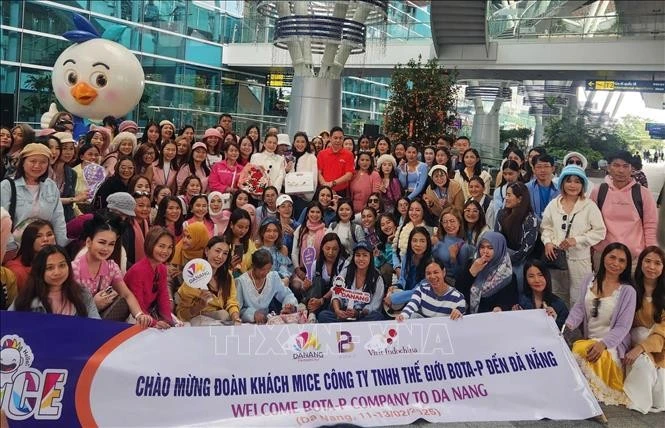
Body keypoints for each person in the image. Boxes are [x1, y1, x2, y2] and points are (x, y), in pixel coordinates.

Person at [564, 242, 637, 406]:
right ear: (604, 257)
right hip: (589, 341)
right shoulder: (589, 280)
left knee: (582, 350)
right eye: (612, 257)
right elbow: (579, 308)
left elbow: (623, 327)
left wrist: (603, 344)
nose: (616, 263)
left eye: (621, 261)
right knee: (578, 349)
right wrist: (565, 328)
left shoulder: (628, 291)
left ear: (627, 265)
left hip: (611, 346)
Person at [541, 165, 606, 306]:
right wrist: (548, 242)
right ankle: (559, 325)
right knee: (557, 294)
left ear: (583, 185)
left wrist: (576, 240)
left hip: (580, 261)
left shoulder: (589, 206)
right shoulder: (553, 205)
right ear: (562, 183)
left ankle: (575, 327)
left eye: (577, 181)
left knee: (580, 298)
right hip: (557, 259)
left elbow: (599, 232)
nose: (572, 185)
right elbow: (546, 227)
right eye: (568, 180)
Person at [71, 213, 151, 326]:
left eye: (111, 244)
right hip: (78, 325)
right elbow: (67, 309)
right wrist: (93, 304)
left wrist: (139, 315)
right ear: (89, 242)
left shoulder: (111, 267)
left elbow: (126, 294)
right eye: (102, 242)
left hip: (103, 325)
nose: (106, 249)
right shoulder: (73, 269)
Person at [591, 150, 658, 271]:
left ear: (632, 169)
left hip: (633, 258)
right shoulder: (599, 191)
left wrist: (650, 252)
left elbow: (651, 225)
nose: (621, 170)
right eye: (616, 165)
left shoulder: (643, 193)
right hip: (603, 255)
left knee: (632, 289)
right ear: (608, 167)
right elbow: (590, 223)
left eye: (625, 166)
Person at [0, 143, 68, 253]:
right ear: (23, 162)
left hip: (44, 248)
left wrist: (60, 247)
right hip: (16, 249)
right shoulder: (7, 186)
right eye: (32, 161)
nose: (37, 166)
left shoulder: (50, 186)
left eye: (43, 162)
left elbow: (58, 218)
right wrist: (11, 249)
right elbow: (2, 220)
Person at [624, 246, 665, 414]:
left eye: (657, 263)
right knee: (644, 367)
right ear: (640, 263)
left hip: (660, 346)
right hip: (634, 345)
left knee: (660, 392)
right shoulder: (629, 289)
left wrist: (643, 346)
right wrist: (638, 346)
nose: (652, 267)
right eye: (647, 261)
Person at [10, 245, 99, 318]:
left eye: (62, 265)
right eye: (50, 268)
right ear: (40, 270)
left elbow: (96, 327)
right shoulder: (25, 298)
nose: (57, 272)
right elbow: (8, 326)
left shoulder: (82, 294)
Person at [176, 236, 241, 325]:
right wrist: (199, 307)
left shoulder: (228, 276)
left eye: (225, 253)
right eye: (217, 251)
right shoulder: (193, 277)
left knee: (224, 315)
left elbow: (231, 301)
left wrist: (236, 317)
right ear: (207, 251)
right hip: (198, 323)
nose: (220, 256)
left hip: (221, 320)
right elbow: (182, 315)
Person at [318, 241, 385, 322]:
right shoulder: (346, 272)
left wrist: (358, 313)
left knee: (377, 316)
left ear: (370, 257)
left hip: (362, 316)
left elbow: (375, 305)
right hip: (343, 313)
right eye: (358, 255)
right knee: (323, 315)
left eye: (365, 255)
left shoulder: (377, 278)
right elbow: (336, 294)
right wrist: (337, 311)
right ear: (353, 257)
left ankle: (351, 328)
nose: (361, 259)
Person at [124, 227, 177, 328]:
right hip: (134, 317)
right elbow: (137, 304)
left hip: (149, 314)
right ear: (150, 245)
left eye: (170, 247)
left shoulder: (162, 268)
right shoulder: (137, 271)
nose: (166, 251)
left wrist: (168, 320)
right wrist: (154, 323)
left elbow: (163, 296)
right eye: (161, 246)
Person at [455, 231, 518, 314]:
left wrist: (500, 308)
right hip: (469, 317)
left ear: (499, 248)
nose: (485, 251)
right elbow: (458, 290)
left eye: (490, 248)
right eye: (482, 247)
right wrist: (471, 272)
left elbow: (508, 301)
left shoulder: (507, 274)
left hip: (493, 320)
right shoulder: (472, 264)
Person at [495, 182, 539, 293]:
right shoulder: (501, 214)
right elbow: (497, 238)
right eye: (506, 194)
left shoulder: (530, 219)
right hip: (502, 254)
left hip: (520, 258)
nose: (506, 198)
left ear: (519, 199)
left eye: (509, 195)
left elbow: (526, 248)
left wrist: (509, 260)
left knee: (517, 278)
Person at [236, 249, 298, 324]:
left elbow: (287, 295)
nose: (265, 273)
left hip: (268, 321)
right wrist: (253, 314)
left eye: (268, 269)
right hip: (248, 324)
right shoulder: (241, 281)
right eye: (262, 269)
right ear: (253, 267)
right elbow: (237, 309)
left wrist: (289, 305)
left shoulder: (273, 277)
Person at [397, 259, 466, 321]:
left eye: (436, 272)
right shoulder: (421, 289)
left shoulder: (458, 298)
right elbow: (411, 306)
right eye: (428, 273)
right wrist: (403, 316)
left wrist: (458, 314)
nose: (432, 277)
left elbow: (463, 320)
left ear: (443, 272)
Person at [385, 226, 431, 315]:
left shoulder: (431, 264)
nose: (418, 244)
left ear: (427, 243)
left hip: (421, 304)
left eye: (422, 241)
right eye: (414, 240)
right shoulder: (407, 257)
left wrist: (393, 298)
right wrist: (397, 286)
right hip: (404, 298)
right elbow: (402, 279)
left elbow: (419, 291)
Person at [514, 260, 569, 329]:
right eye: (531, 276)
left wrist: (554, 321)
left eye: (540, 275)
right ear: (526, 279)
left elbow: (566, 332)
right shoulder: (520, 301)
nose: (537, 280)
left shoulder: (558, 304)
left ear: (547, 276)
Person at [4, 219, 56, 291]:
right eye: (38, 236)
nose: (45, 239)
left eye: (49, 234)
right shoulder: (16, 271)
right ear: (28, 239)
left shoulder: (59, 262)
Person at [392, 199, 433, 279]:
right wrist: (397, 267)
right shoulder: (402, 228)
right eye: (411, 210)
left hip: (422, 274)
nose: (414, 213)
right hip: (401, 271)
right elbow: (394, 251)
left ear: (423, 211)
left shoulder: (431, 231)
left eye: (417, 210)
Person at [292, 202, 328, 289]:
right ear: (307, 214)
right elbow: (294, 252)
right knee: (296, 285)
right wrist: (298, 270)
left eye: (318, 212)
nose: (315, 214)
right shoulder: (300, 229)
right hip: (302, 270)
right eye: (312, 212)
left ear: (322, 215)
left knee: (315, 284)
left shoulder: (326, 231)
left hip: (318, 271)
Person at [432, 208, 468, 283]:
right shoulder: (437, 239)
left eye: (452, 221)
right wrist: (433, 246)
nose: (449, 225)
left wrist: (453, 258)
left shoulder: (463, 246)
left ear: (459, 222)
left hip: (450, 283)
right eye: (445, 222)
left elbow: (460, 276)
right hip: (433, 277)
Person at [168, 222, 209, 287]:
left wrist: (184, 274)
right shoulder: (178, 251)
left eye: (189, 237)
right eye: (184, 236)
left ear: (199, 239)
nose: (184, 240)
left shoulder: (208, 256)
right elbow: (169, 281)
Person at [317, 126, 355, 196]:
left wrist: (332, 183)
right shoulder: (322, 154)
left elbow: (349, 175)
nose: (338, 140)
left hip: (342, 191)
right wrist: (326, 186)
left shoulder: (349, 155)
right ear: (330, 138)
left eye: (340, 138)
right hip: (324, 190)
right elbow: (319, 172)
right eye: (335, 138)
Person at [287, 131, 318, 216]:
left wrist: (305, 193)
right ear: (294, 143)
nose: (300, 144)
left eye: (303, 142)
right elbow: (284, 175)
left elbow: (314, 179)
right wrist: (286, 170)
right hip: (289, 197)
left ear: (306, 143)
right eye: (297, 141)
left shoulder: (312, 158)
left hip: (304, 198)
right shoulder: (288, 156)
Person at [256, 217, 294, 288]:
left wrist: (286, 278)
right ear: (262, 232)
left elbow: (283, 268)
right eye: (268, 231)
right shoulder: (256, 247)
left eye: (275, 231)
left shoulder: (283, 249)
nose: (272, 234)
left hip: (279, 281)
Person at [223, 208, 256, 275]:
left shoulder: (249, 243)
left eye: (246, 227)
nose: (243, 231)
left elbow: (255, 263)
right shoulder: (222, 242)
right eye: (240, 227)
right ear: (232, 224)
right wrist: (229, 267)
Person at [526, 154, 559, 219]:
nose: (543, 170)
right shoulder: (526, 188)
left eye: (546, 166)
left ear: (552, 169)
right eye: (539, 167)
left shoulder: (560, 190)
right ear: (533, 169)